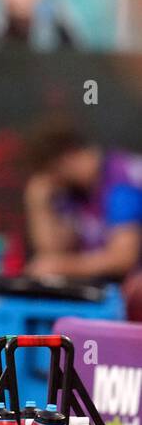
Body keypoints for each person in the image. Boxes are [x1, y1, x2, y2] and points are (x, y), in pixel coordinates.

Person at [23, 125, 142, 299]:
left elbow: (123, 258)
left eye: (51, 173)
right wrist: (38, 206)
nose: (51, 182)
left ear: (66, 158)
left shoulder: (120, 181)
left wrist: (62, 266)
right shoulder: (75, 192)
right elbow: (51, 252)